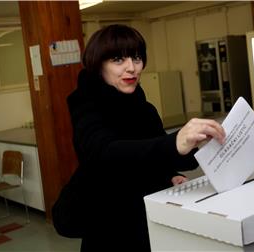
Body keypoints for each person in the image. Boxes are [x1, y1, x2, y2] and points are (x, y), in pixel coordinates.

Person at [52, 24, 225, 251]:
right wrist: (175, 143)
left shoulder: (145, 108)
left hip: (148, 221)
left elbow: (158, 154)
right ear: (99, 65)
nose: (131, 68)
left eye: (136, 58)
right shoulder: (86, 104)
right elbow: (104, 153)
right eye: (118, 60)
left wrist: (173, 171)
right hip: (108, 227)